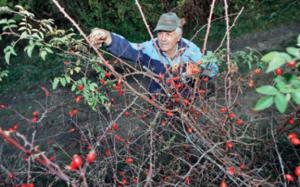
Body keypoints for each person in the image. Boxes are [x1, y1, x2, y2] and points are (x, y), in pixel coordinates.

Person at [88, 12, 218, 94]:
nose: (162, 38)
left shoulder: (191, 51)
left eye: (168, 34)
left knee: (184, 130)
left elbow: (213, 69)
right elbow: (128, 49)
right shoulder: (151, 48)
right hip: (158, 99)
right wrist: (108, 37)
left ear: (178, 37)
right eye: (160, 33)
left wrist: (198, 71)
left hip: (185, 100)